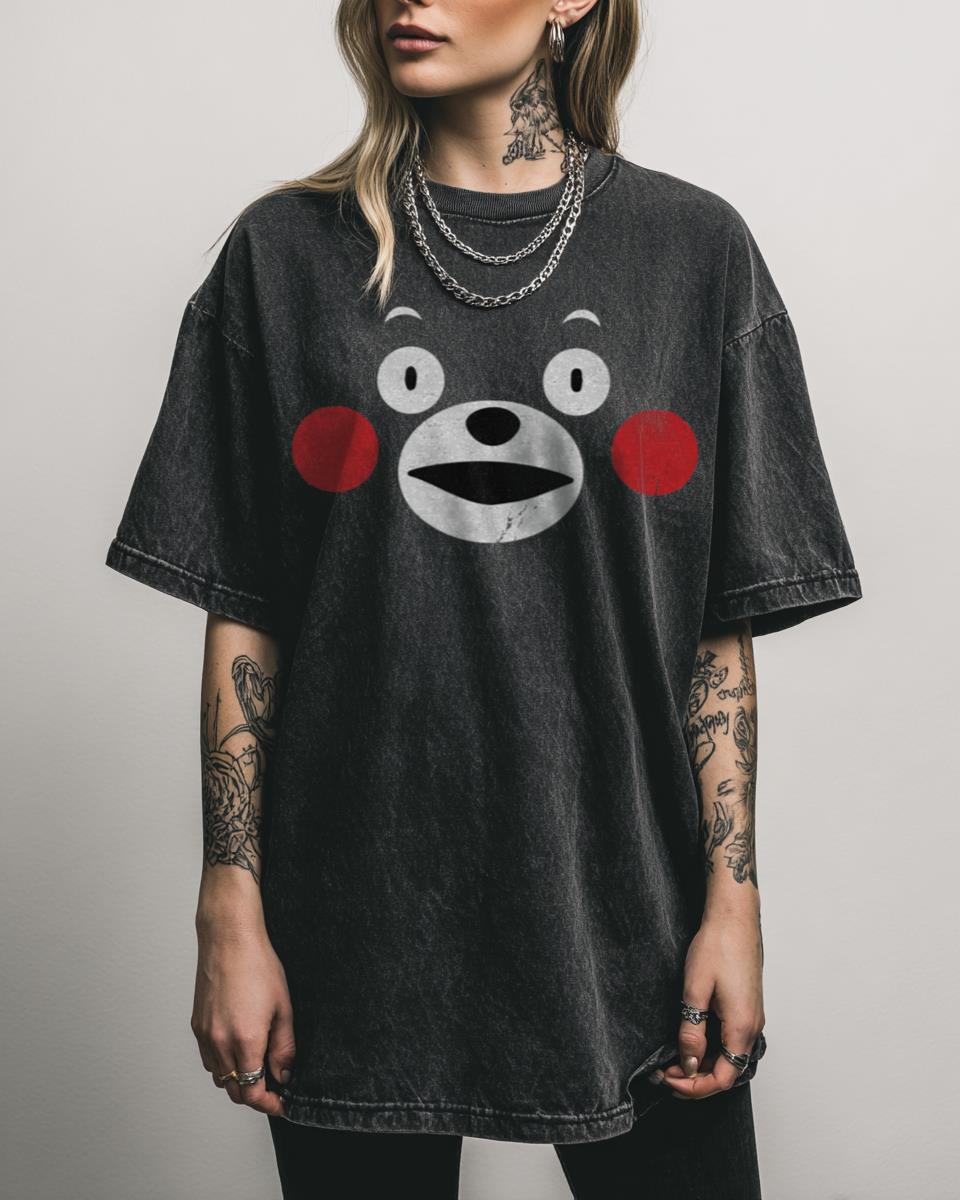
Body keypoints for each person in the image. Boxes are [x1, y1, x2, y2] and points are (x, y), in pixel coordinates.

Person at [104, 1, 863, 1196]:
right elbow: (246, 609)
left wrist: (734, 902)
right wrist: (229, 905)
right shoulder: (283, 256)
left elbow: (714, 631)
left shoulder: (693, 253)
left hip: (631, 917)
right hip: (351, 925)